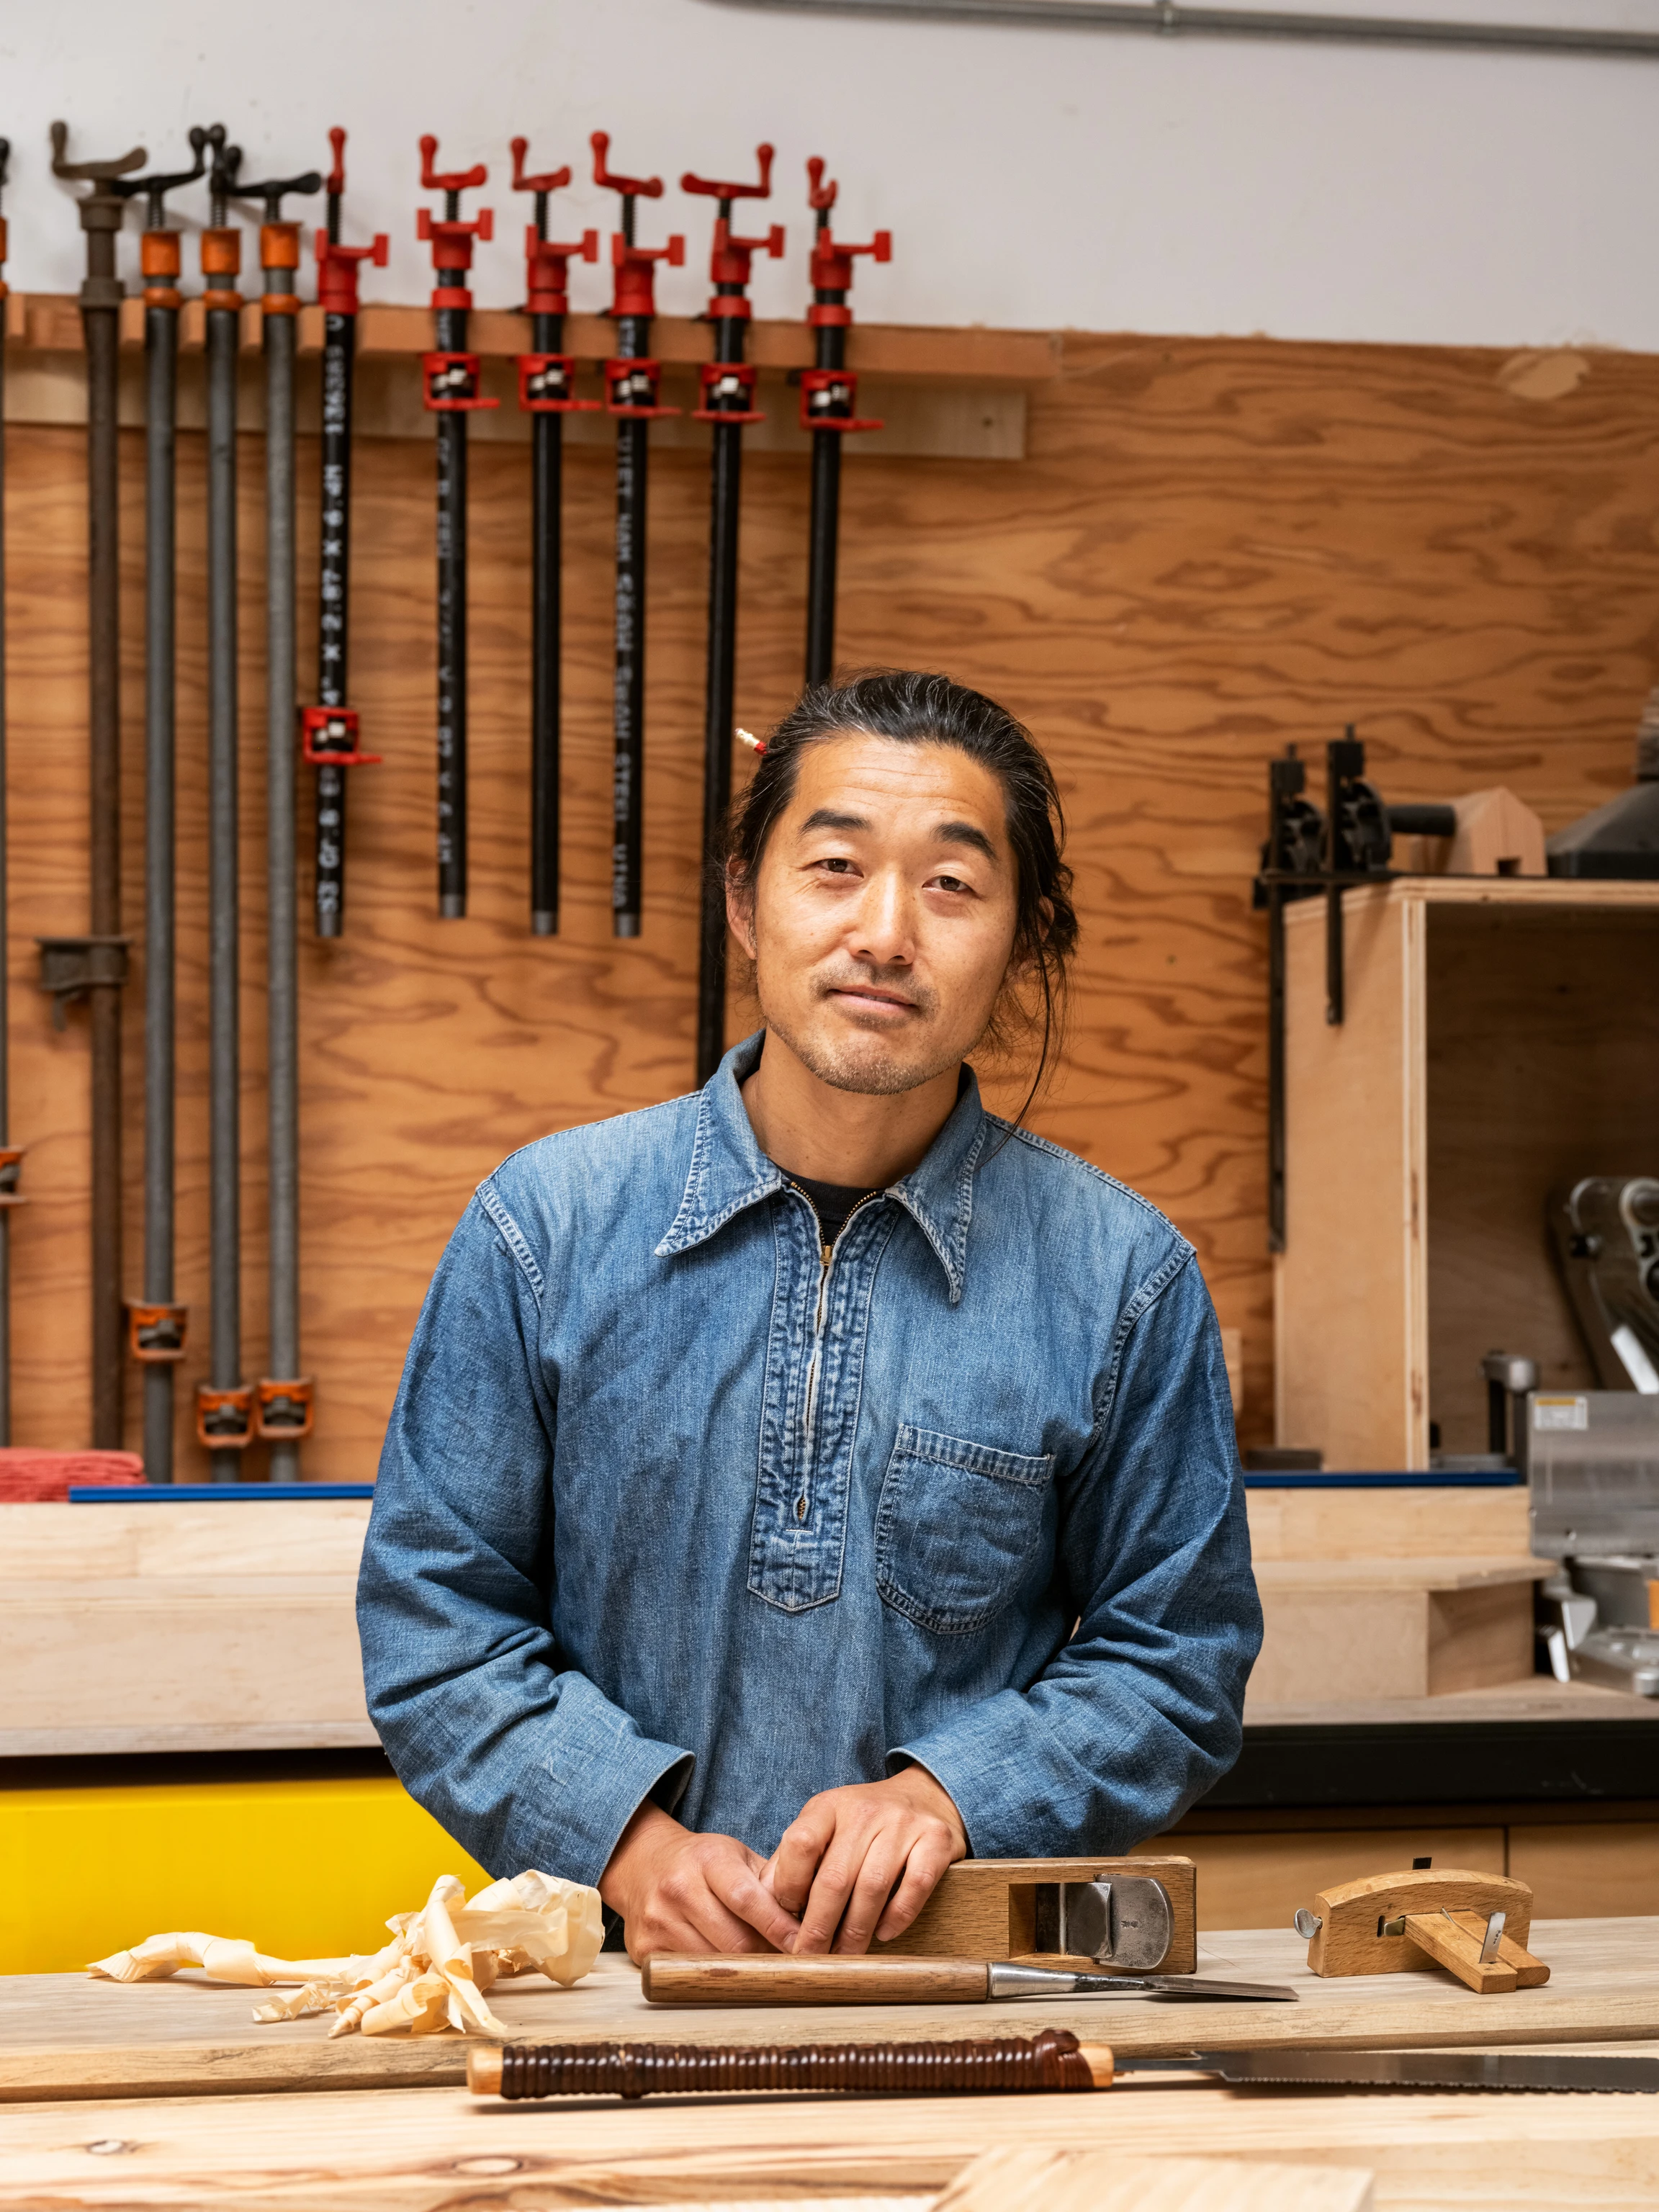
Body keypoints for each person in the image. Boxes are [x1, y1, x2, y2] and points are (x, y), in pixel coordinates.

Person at [358, 670, 1260, 1962]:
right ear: (745, 900)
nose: (887, 931)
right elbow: (436, 1623)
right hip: (618, 2005)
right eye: (834, 865)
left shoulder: (1124, 1277)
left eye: (952, 884)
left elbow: (1178, 1663)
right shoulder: (544, 1225)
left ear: (1023, 937)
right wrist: (630, 1845)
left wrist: (955, 1795)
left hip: (974, 1998)